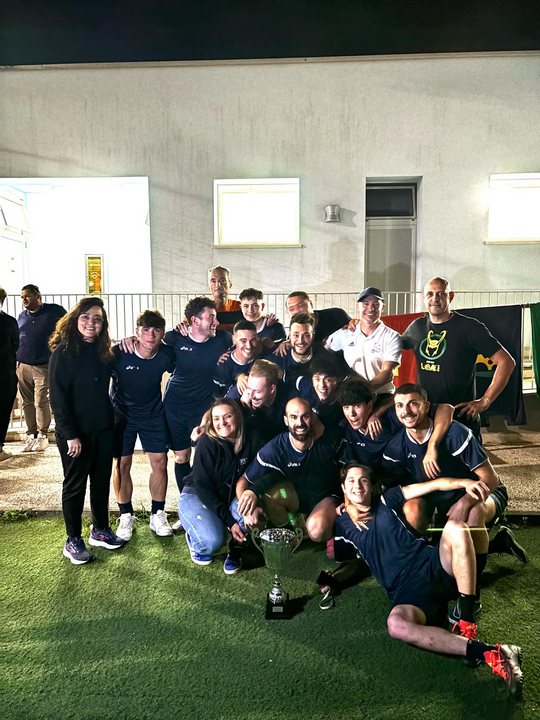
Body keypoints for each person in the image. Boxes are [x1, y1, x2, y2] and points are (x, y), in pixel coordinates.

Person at [331, 462, 523, 699]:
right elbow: (342, 556)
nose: (358, 486)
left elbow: (433, 485)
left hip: (432, 564)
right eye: (351, 481)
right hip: (406, 592)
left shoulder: (387, 500)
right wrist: (331, 580)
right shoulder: (342, 523)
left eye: (363, 480)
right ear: (343, 488)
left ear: (371, 486)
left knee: (456, 528)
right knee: (396, 625)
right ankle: (493, 653)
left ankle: (466, 623)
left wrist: (464, 482)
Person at [382, 384, 527, 606]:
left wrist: (465, 502)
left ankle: (472, 593)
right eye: (400, 405)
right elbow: (395, 486)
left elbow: (490, 480)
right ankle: (496, 544)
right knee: (411, 509)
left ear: (426, 406)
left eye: (413, 404)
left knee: (473, 513)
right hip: (443, 501)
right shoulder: (397, 446)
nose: (406, 411)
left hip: (485, 493)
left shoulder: (456, 433)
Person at [49, 297, 124, 565]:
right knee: (75, 486)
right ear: (75, 319)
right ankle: (72, 540)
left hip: (102, 430)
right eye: (86, 317)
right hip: (75, 435)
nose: (91, 323)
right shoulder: (63, 352)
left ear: (103, 325)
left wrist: (130, 342)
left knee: (101, 482)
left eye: (97, 319)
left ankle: (100, 529)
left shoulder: (104, 352)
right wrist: (70, 435)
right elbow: (57, 398)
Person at [402, 276, 515, 439]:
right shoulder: (417, 327)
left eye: (441, 294)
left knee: (466, 456)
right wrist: (364, 325)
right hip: (426, 417)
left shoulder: (469, 327)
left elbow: (506, 361)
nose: (435, 299)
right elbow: (390, 345)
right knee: (430, 455)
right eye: (430, 294)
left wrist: (485, 401)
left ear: (451, 296)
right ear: (423, 297)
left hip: (461, 417)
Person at [237, 397, 344, 543]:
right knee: (273, 495)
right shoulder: (275, 449)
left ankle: (327, 528)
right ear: (286, 421)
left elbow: (350, 470)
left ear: (312, 417)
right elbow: (243, 481)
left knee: (317, 531)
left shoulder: (330, 440)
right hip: (295, 499)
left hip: (326, 498)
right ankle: (290, 531)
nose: (300, 423)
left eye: (305, 416)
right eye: (293, 417)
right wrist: (247, 508)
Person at [179, 398, 265, 572]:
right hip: (198, 495)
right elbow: (204, 488)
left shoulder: (252, 437)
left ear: (238, 417)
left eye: (227, 417)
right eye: (216, 419)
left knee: (250, 511)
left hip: (230, 496)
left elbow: (263, 472)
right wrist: (230, 522)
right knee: (211, 542)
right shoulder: (207, 443)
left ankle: (236, 548)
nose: (222, 423)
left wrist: (255, 499)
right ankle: (196, 539)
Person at [111, 310, 176, 541]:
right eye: (146, 330)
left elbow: (188, 362)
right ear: (137, 332)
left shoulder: (166, 355)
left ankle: (157, 513)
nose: (151, 335)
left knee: (160, 462)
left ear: (162, 334)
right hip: (122, 415)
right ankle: (125, 515)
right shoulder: (120, 353)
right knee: (122, 463)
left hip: (152, 414)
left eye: (156, 330)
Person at [163, 297, 231, 491]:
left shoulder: (222, 340)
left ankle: (206, 499)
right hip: (175, 408)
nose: (216, 322)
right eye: (211, 317)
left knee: (206, 454)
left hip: (204, 408)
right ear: (194, 321)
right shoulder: (175, 338)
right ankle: (186, 500)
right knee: (181, 457)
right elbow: (152, 341)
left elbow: (248, 343)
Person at [325, 287, 402, 400]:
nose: (371, 308)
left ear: (383, 308)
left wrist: (362, 392)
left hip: (381, 395)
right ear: (358, 307)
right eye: (365, 304)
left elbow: (386, 372)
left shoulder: (392, 336)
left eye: (376, 304)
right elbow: (325, 349)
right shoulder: (346, 332)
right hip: (350, 396)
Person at [16, 284, 66, 452]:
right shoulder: (21, 317)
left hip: (44, 366)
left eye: (27, 296)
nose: (24, 300)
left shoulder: (54, 311)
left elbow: (68, 327)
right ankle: (31, 434)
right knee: (27, 402)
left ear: (38, 296)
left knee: (40, 401)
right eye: (22, 297)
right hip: (23, 365)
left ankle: (42, 435)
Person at [226, 358, 289, 441]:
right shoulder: (238, 392)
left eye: (257, 391)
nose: (251, 395)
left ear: (272, 389)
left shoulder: (288, 400)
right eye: (249, 388)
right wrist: (241, 407)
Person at [213, 320, 270, 397]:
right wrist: (238, 379)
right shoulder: (223, 364)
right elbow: (218, 398)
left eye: (253, 340)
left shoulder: (263, 356)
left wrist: (282, 343)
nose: (249, 346)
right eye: (243, 341)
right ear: (234, 340)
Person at [286, 291, 350, 343]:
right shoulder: (294, 328)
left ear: (311, 304)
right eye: (291, 309)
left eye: (301, 305)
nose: (297, 311)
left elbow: (353, 330)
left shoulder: (336, 315)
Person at [273, 312, 317, 389]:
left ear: (313, 336)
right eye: (296, 335)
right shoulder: (275, 361)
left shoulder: (324, 359)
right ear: (289, 335)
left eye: (306, 335)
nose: (300, 341)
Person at [0, 288, 19, 461]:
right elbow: (15, 344)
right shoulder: (9, 321)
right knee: (3, 409)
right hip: (5, 372)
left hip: (6, 373)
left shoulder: (9, 321)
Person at [208, 265, 243, 331]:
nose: (218, 285)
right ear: (209, 286)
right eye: (213, 281)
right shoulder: (201, 309)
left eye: (223, 280)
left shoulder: (241, 307)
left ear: (230, 284)